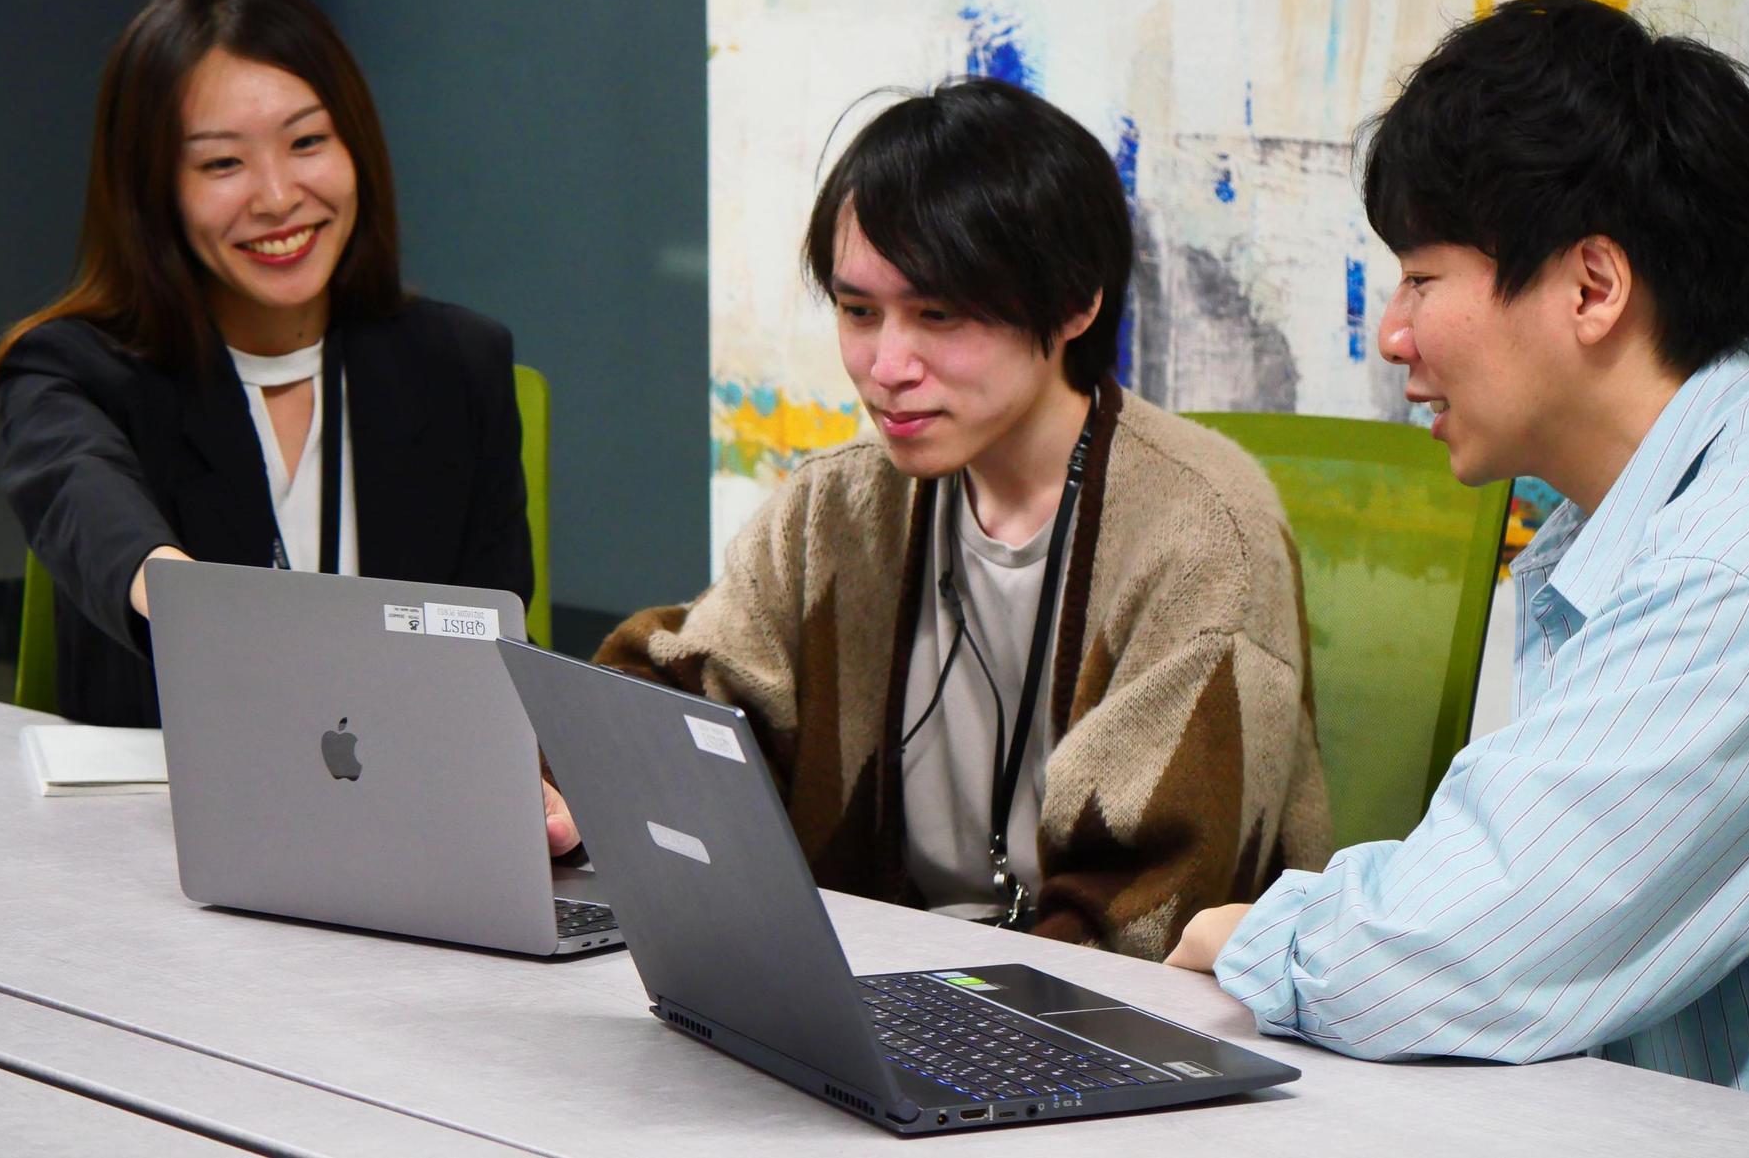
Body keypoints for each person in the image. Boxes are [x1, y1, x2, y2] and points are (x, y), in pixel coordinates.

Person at [1167, 0, 1749, 1108]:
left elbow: (1428, 961)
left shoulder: (1742, 570)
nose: (1393, 333)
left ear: (1592, 287)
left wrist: (1247, 929)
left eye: (1423, 279)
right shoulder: (1649, 517)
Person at [546, 78, 1332, 960]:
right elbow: (694, 689)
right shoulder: (839, 505)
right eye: (858, 312)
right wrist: (572, 783)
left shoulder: (1202, 536)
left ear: (1075, 302)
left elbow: (1150, 916)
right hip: (882, 976)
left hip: (1098, 1007)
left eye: (939, 314)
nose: (887, 365)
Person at [0, 0, 532, 729]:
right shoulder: (68, 371)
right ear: (153, 191)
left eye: (307, 142)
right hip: (159, 793)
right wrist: (189, 601)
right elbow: (91, 513)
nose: (277, 198)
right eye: (222, 163)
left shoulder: (459, 364)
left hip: (409, 791)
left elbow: (497, 662)